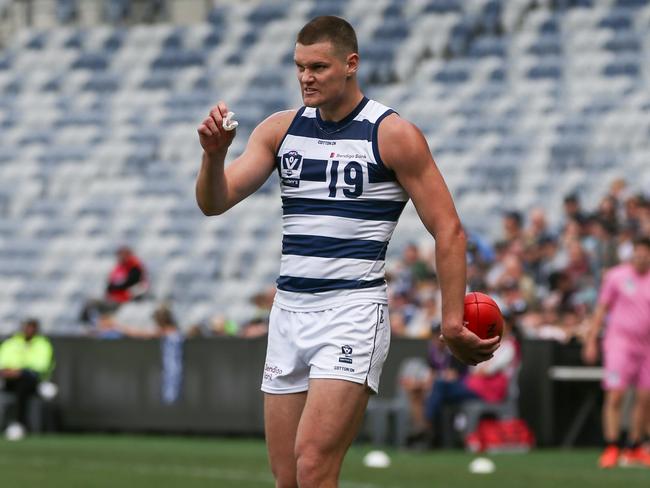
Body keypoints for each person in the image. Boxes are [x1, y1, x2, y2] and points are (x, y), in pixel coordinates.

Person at [195, 16, 499, 487]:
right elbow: (214, 202)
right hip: (289, 313)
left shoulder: (392, 134)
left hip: (351, 311)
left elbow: (449, 231)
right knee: (287, 478)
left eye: (318, 66)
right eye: (300, 66)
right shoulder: (280, 130)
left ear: (350, 64)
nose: (305, 77)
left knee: (314, 465)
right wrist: (213, 156)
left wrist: (452, 319)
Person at [583, 237, 650, 468]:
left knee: (645, 398)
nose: (641, 256)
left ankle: (635, 446)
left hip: (647, 346)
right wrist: (591, 340)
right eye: (638, 252)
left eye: (646, 253)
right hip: (619, 342)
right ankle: (612, 446)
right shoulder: (617, 276)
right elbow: (601, 309)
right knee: (616, 395)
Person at [0, 318, 54, 439]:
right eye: (27, 327)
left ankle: (18, 423)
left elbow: (41, 367)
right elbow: (3, 364)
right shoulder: (10, 343)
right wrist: (11, 372)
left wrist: (20, 371)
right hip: (9, 380)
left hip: (32, 381)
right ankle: (18, 424)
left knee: (23, 383)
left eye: (32, 327)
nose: (29, 330)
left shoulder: (43, 344)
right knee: (19, 383)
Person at [80, 245, 149, 324]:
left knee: (93, 303)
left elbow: (132, 284)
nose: (119, 257)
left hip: (122, 299)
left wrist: (117, 288)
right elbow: (110, 284)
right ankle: (89, 325)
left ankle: (89, 324)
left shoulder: (135, 267)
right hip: (112, 298)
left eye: (122, 254)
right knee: (91, 302)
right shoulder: (119, 267)